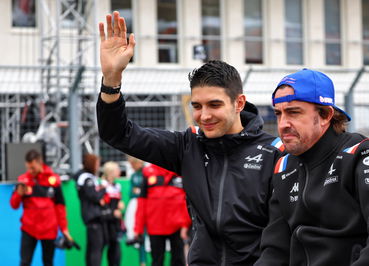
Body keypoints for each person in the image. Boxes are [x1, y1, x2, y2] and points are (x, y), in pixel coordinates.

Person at [96, 11, 282, 265]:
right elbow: (118, 134)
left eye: (214, 104)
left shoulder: (275, 153)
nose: (204, 116)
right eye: (197, 106)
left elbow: (286, 233)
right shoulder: (187, 145)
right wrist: (111, 79)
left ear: (239, 103)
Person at [255, 69, 369, 265]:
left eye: (293, 112)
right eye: (278, 114)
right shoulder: (284, 166)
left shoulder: (360, 153)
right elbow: (274, 251)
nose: (282, 124)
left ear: (325, 115)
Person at [10, 149, 73, 266]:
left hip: (49, 229)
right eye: (28, 168)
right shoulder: (23, 180)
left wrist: (64, 229)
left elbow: (60, 206)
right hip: (29, 229)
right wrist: (19, 194)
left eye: (33, 167)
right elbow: (14, 205)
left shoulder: (53, 180)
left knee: (48, 262)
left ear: (40, 162)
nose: (30, 171)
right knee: (24, 262)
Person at [134, 163, 191, 266]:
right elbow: (142, 202)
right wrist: (138, 228)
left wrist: (185, 225)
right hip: (155, 226)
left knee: (178, 260)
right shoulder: (148, 172)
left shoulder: (179, 170)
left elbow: (186, 201)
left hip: (177, 226)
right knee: (157, 260)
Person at [76, 153, 109, 266]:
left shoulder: (87, 177)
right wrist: (104, 188)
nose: (98, 166)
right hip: (93, 217)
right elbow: (94, 196)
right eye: (96, 163)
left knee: (92, 247)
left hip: (93, 217)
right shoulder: (86, 178)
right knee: (96, 248)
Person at [101, 161, 125, 266]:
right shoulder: (103, 185)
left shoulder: (117, 186)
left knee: (116, 251)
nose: (119, 171)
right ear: (111, 172)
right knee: (105, 248)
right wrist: (112, 212)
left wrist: (120, 204)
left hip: (115, 223)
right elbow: (101, 204)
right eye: (117, 169)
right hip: (105, 222)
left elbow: (118, 200)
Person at [125, 156, 147, 266]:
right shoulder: (134, 176)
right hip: (138, 208)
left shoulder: (146, 173)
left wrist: (138, 191)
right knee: (140, 235)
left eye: (133, 164)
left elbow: (145, 192)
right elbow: (131, 193)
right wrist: (139, 191)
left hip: (148, 209)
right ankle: (142, 262)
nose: (132, 166)